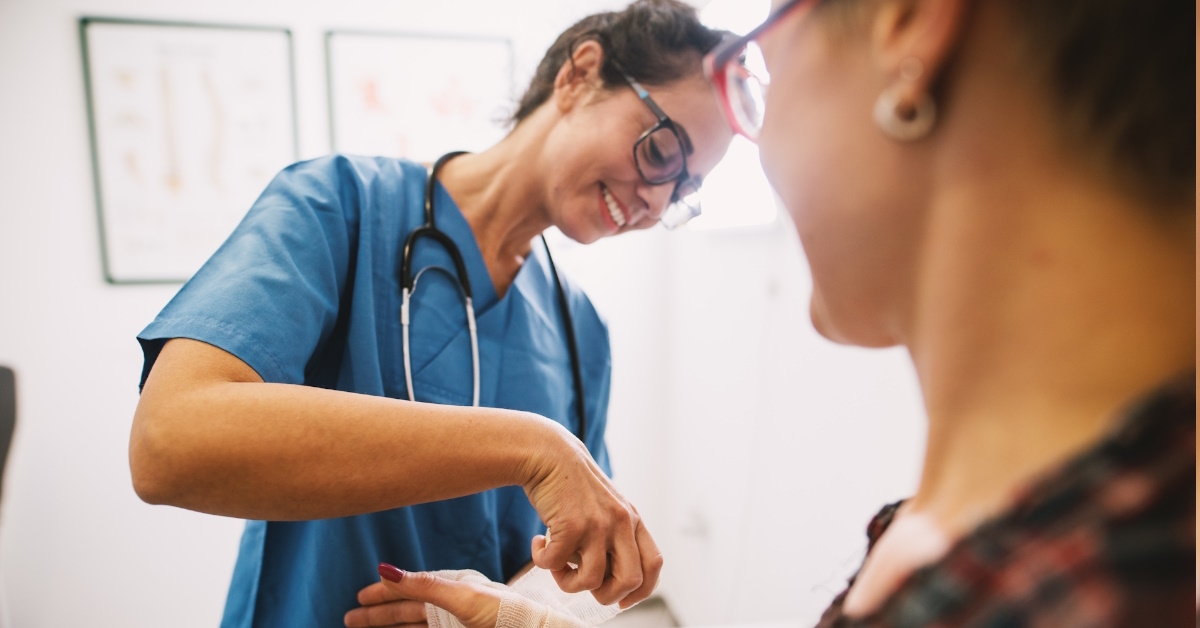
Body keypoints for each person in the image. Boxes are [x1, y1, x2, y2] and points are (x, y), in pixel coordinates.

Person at [372, 0, 1196, 626]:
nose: (657, 202)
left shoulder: (1097, 583)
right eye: (663, 151)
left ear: (908, 28)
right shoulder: (1001, 536)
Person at [128, 1, 734, 626]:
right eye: (662, 151)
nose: (657, 199)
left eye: (684, 190)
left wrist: (505, 613)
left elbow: (576, 558)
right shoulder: (339, 207)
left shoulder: (580, 329)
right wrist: (531, 446)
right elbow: (168, 442)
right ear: (579, 74)